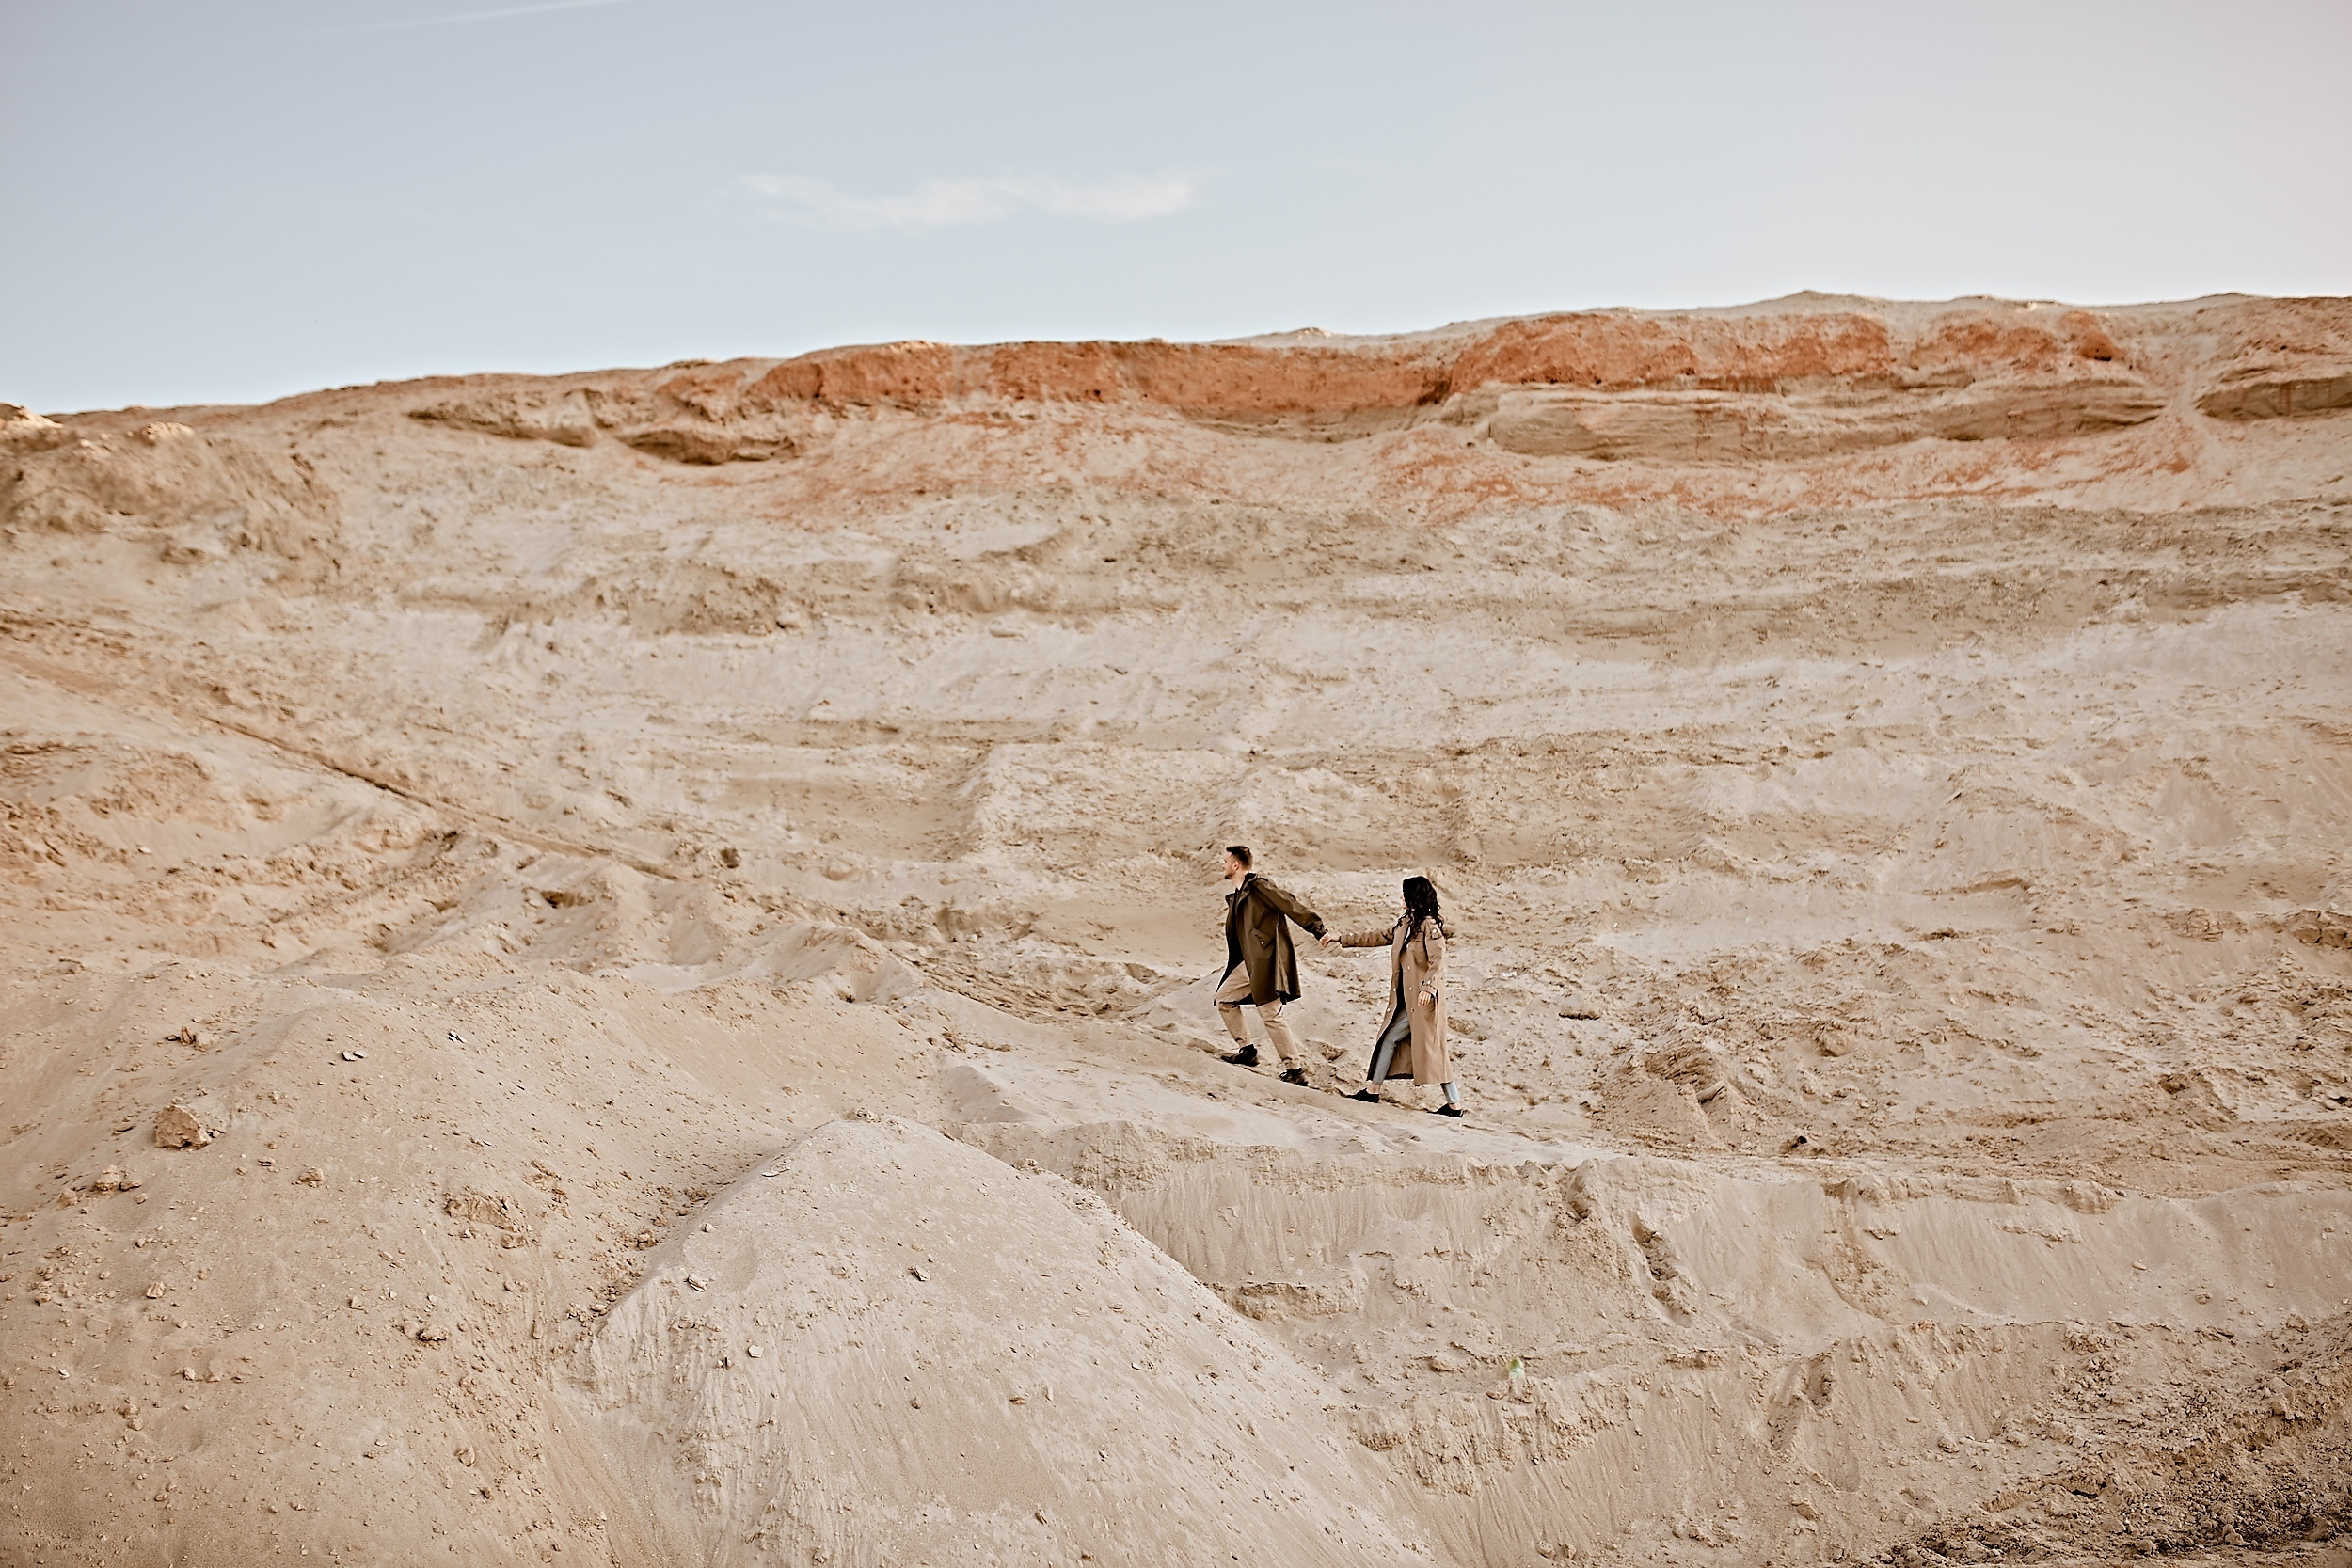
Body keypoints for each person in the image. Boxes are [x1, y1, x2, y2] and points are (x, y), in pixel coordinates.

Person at [1321, 875, 1462, 1117]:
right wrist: (1341, 938)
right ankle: (1375, 1090)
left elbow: (1438, 961)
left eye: (1404, 893)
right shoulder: (1406, 924)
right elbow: (1376, 936)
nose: (1401, 897)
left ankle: (1453, 1105)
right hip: (1408, 1001)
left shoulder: (1429, 927)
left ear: (1413, 897)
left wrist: (1428, 988)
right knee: (1407, 1043)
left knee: (1431, 1049)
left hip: (1423, 1002)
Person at [1213, 845, 1329, 1087]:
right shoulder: (1238, 895)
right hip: (1248, 963)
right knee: (1224, 998)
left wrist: (1317, 929)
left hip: (1265, 961)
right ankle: (1247, 1050)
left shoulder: (1259, 887)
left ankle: (1295, 1069)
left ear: (1236, 865)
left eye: (1225, 861)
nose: (1222, 865)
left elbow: (1290, 904)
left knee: (1270, 1014)